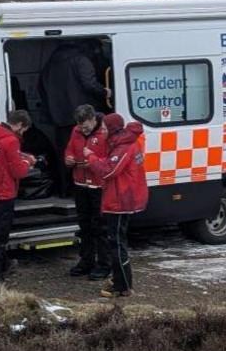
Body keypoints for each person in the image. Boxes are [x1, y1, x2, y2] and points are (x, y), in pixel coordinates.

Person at [38, 41, 111, 196]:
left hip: (59, 118)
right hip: (82, 117)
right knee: (85, 155)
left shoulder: (49, 65)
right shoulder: (80, 60)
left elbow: (41, 88)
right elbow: (89, 84)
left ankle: (66, 190)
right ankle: (83, 192)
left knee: (65, 156)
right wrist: (105, 92)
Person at [0, 110, 35, 289]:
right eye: (23, 130)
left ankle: (4, 265)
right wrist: (28, 162)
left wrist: (20, 155)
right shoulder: (11, 141)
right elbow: (18, 171)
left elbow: (0, 157)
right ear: (19, 125)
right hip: (3, 194)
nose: (22, 133)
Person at [100, 114, 147, 299]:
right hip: (122, 198)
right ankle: (119, 278)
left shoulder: (124, 146)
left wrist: (93, 159)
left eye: (104, 128)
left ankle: (123, 285)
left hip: (120, 201)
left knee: (117, 244)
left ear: (112, 129)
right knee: (117, 241)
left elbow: (109, 170)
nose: (102, 131)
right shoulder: (124, 142)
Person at [64, 104, 110, 280]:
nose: (82, 129)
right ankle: (86, 260)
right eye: (80, 126)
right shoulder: (76, 131)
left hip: (98, 186)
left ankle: (104, 264)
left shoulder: (105, 132)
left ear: (93, 119)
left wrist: (93, 161)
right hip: (80, 183)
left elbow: (111, 158)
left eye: (85, 126)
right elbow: (70, 149)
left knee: (101, 227)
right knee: (84, 226)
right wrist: (68, 158)